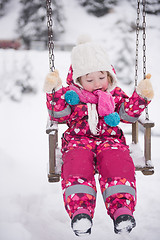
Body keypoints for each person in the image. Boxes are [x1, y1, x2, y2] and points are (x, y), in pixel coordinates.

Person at [43, 40, 154, 236]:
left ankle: (122, 211)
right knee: (76, 166)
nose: (97, 84)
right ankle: (81, 212)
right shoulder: (72, 96)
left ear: (109, 75)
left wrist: (141, 97)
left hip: (111, 141)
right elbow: (58, 114)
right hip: (78, 141)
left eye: (101, 77)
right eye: (89, 80)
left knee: (118, 163)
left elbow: (128, 114)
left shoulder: (114, 95)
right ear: (78, 80)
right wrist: (53, 91)